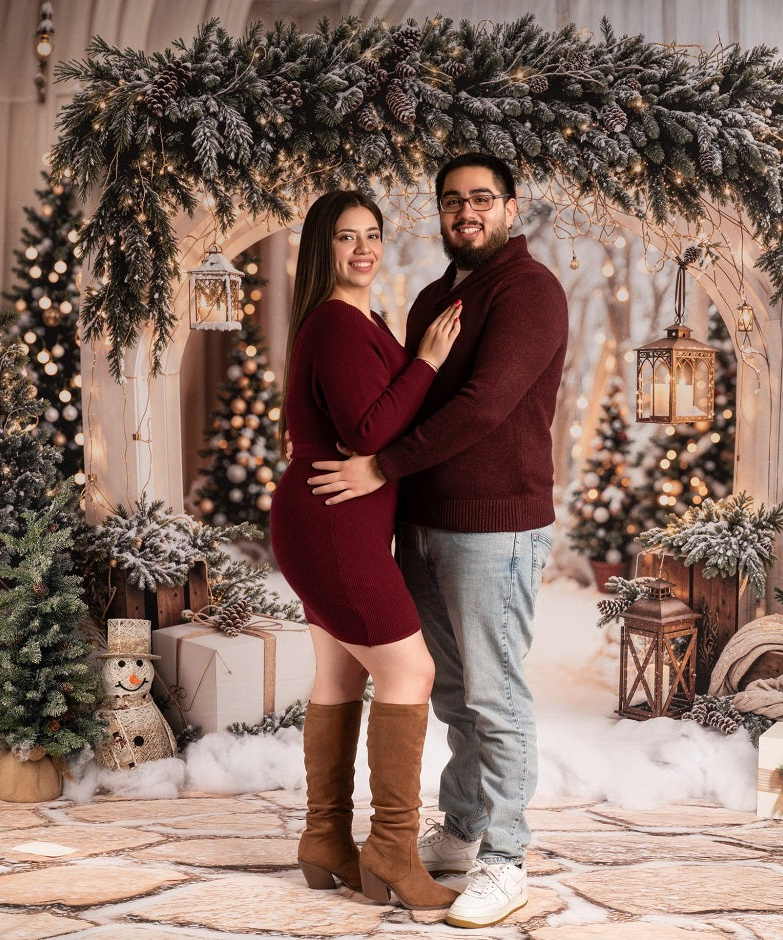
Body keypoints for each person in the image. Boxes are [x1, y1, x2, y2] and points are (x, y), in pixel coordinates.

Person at [308, 154, 569, 929]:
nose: (466, 212)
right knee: (449, 692)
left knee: (495, 696)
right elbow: (400, 400)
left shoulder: (530, 292)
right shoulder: (432, 297)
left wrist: (380, 465)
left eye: (481, 200)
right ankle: (460, 832)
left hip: (496, 528)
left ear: (511, 209)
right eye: (452, 201)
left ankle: (508, 860)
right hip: (422, 524)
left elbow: (486, 406)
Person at [269, 190, 463, 911]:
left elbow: (367, 427)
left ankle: (325, 840)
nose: (363, 249)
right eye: (346, 237)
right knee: (412, 668)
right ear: (321, 249)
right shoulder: (336, 325)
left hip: (326, 518)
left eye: (373, 234)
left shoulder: (358, 318)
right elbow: (371, 428)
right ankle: (391, 851)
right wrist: (428, 361)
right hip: (333, 523)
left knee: (340, 677)